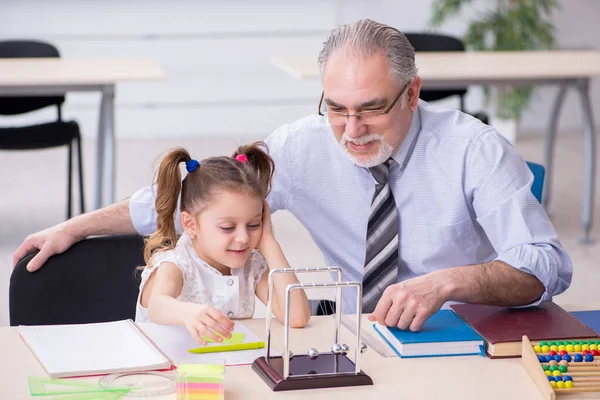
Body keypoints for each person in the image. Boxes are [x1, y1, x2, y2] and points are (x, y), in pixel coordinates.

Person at [13, 19, 572, 332]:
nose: (351, 131)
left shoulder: (476, 149)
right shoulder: (302, 144)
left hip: (456, 332)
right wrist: (78, 225)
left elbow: (546, 263)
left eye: (372, 108)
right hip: (352, 328)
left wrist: (451, 281)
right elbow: (198, 195)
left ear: (414, 92)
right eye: (336, 107)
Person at [136, 142, 310, 343]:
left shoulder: (251, 264)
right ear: (190, 224)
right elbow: (157, 305)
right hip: (168, 367)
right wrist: (188, 313)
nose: (243, 238)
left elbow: (296, 317)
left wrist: (268, 241)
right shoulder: (176, 263)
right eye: (228, 227)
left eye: (253, 224)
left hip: (224, 365)